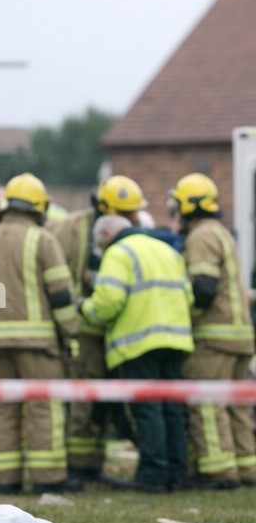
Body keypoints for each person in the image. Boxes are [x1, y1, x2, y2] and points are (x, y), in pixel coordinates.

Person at [0, 173, 79, 492]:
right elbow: (61, 296)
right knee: (44, 408)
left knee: (0, 412)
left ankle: (5, 480)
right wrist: (71, 334)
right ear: (39, 208)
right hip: (38, 344)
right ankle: (47, 479)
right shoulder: (43, 239)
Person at [81, 214, 194, 492]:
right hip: (176, 339)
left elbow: (109, 303)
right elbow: (188, 296)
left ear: (107, 234)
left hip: (139, 343)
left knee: (148, 410)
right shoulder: (166, 249)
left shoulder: (118, 252)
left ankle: (154, 474)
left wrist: (84, 308)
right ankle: (176, 472)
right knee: (172, 409)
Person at [53, 175, 147, 480]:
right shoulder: (74, 229)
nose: (131, 220)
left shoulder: (125, 233)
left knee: (105, 402)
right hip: (87, 329)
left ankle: (95, 459)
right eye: (125, 214)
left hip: (118, 330)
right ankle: (83, 465)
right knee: (85, 398)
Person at [169, 174, 255, 487]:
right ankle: (246, 469)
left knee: (208, 404)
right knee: (237, 408)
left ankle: (219, 472)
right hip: (240, 336)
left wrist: (182, 315)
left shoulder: (201, 236)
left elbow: (203, 289)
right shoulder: (222, 232)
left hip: (213, 337)